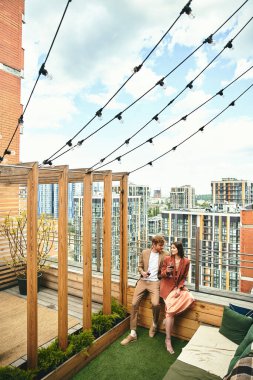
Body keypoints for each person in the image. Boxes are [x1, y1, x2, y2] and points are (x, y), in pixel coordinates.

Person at [121, 235, 168, 346]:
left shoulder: (165, 254)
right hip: (143, 281)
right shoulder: (145, 252)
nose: (162, 248)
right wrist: (142, 272)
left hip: (155, 282)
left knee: (156, 304)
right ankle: (133, 333)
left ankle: (155, 324)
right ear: (153, 245)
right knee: (133, 304)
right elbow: (140, 266)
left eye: (163, 246)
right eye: (160, 246)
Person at [160, 241, 194, 354]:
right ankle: (167, 340)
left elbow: (184, 277)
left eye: (174, 248)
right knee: (170, 312)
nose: (172, 249)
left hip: (177, 287)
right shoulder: (167, 259)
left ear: (179, 249)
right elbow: (162, 273)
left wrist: (179, 287)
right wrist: (167, 271)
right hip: (166, 287)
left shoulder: (186, 262)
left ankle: (167, 319)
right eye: (171, 248)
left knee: (189, 297)